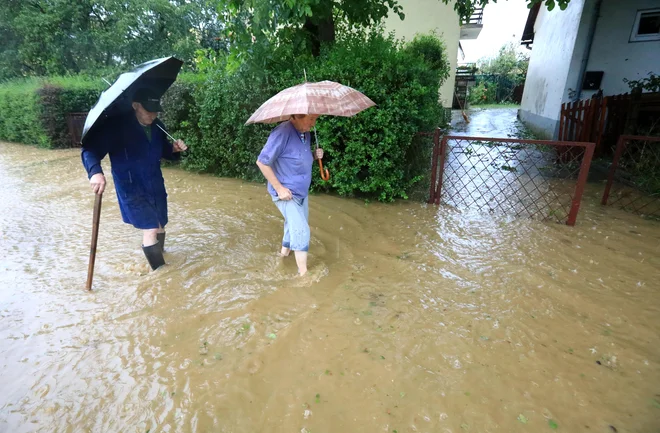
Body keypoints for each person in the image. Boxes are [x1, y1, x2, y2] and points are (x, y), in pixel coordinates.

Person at [81, 88, 188, 270]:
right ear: (135, 105)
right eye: (149, 110)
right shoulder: (115, 127)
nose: (153, 115)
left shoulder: (157, 126)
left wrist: (173, 150)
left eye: (156, 110)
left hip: (155, 183)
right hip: (131, 186)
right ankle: (162, 273)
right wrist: (95, 172)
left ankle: (158, 254)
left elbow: (161, 150)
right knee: (151, 227)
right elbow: (89, 150)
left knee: (161, 223)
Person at [256, 114, 324, 276]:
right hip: (286, 193)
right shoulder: (282, 132)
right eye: (310, 119)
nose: (313, 124)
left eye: (315, 120)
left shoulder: (305, 133)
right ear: (297, 116)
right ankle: (303, 275)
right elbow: (262, 162)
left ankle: (283, 255)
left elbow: (298, 159)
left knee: (292, 223)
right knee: (301, 230)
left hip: (301, 192)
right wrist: (279, 189)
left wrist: (315, 156)